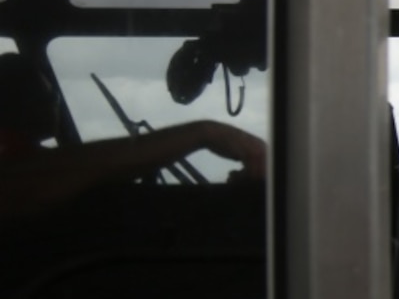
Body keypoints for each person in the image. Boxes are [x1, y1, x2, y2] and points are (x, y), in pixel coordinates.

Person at [0, 52, 265, 222]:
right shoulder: (25, 173)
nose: (54, 104)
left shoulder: (38, 163)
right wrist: (203, 133)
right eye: (49, 96)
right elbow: (44, 178)